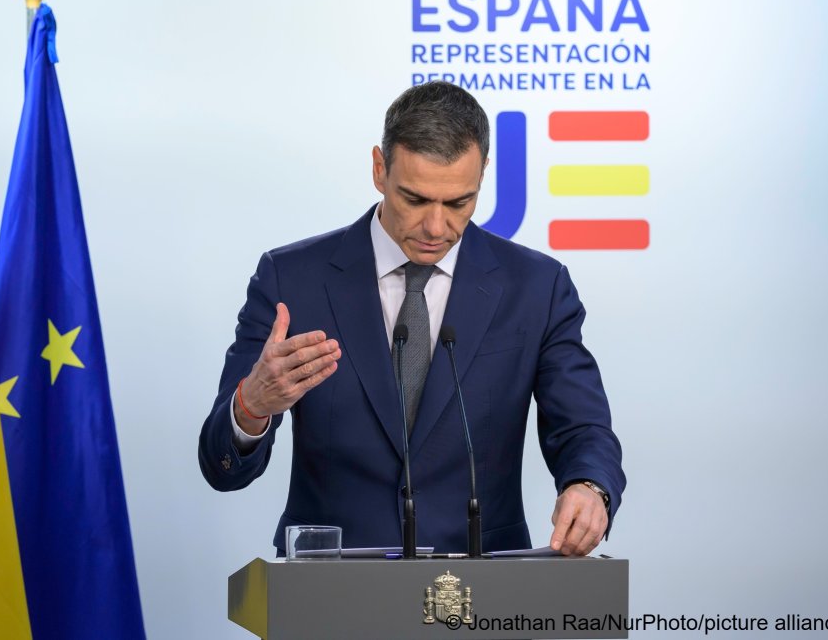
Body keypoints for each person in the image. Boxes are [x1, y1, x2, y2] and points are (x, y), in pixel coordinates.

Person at [198, 81, 625, 556]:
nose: (436, 227)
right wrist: (251, 406)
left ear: (483, 173)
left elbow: (582, 427)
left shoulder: (537, 287)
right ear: (380, 169)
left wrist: (590, 486)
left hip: (484, 586)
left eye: (459, 202)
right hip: (327, 591)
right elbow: (223, 469)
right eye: (416, 200)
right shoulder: (291, 280)